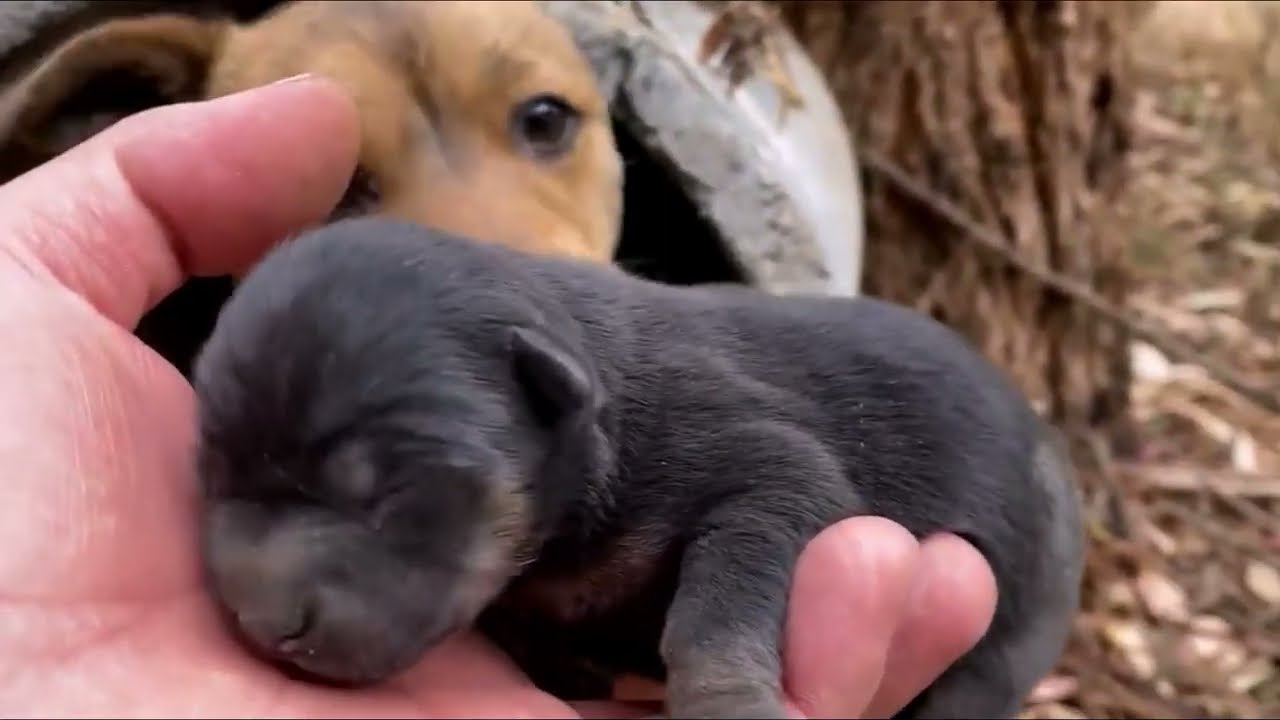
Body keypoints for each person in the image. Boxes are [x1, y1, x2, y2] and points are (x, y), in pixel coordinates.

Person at [0, 75, 997, 718]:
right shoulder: (493, 447)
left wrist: (720, 666)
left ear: (553, 398)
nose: (269, 599)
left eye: (391, 500)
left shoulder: (676, 413)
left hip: (985, 523)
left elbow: (787, 486)